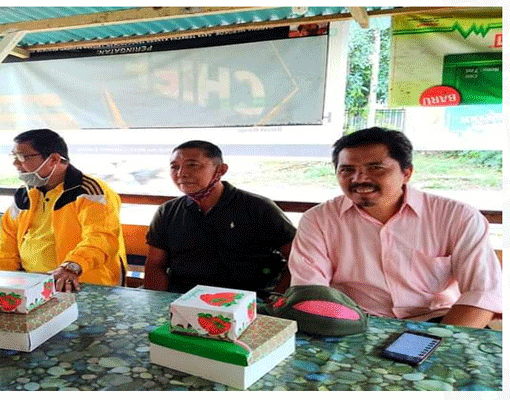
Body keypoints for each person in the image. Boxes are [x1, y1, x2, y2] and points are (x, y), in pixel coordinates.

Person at [288, 127, 501, 328]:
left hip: (438, 321)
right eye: (347, 170)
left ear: (406, 173)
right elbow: (311, 293)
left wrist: (438, 342)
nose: (359, 178)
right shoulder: (317, 220)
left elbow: (482, 294)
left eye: (376, 168)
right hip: (355, 323)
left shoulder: (457, 216)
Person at [144, 140, 296, 297]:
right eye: (174, 167)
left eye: (192, 165)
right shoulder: (167, 212)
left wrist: (276, 300)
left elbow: (298, 260)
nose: (181, 173)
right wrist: (159, 303)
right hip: (183, 298)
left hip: (250, 300)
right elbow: (155, 265)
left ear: (221, 170)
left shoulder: (258, 208)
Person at [0, 129, 126, 292]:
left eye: (22, 157)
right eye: (14, 157)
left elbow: (101, 238)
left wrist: (72, 266)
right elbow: (7, 245)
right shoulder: (25, 194)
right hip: (32, 285)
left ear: (54, 159)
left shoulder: (90, 192)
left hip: (81, 283)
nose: (16, 164)